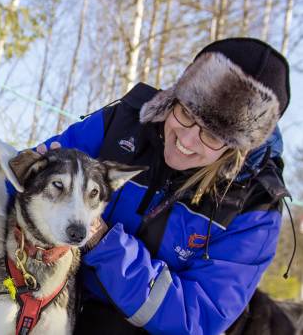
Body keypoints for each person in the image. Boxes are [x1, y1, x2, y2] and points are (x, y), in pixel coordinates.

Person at [42, 38, 290, 334]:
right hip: (61, 296)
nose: (185, 141)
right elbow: (19, 183)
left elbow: (193, 318)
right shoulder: (122, 124)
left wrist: (105, 243)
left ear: (236, 150)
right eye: (186, 113)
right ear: (174, 97)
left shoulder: (255, 208)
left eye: (211, 135)